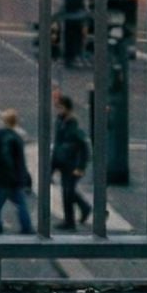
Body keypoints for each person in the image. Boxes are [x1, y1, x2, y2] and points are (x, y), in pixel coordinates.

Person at [52, 92, 92, 230]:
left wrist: (80, 167)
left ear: (67, 108)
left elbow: (84, 147)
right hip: (64, 162)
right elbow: (57, 144)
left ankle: (70, 221)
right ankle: (83, 209)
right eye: (57, 107)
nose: (58, 110)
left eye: (60, 107)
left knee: (68, 192)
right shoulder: (60, 121)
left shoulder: (73, 125)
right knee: (68, 192)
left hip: (72, 164)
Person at [0, 107, 33, 235]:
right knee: (21, 204)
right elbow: (21, 161)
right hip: (16, 177)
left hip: (4, 177)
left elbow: (5, 157)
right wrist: (26, 177)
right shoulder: (17, 137)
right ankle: (26, 227)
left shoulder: (0, 135)